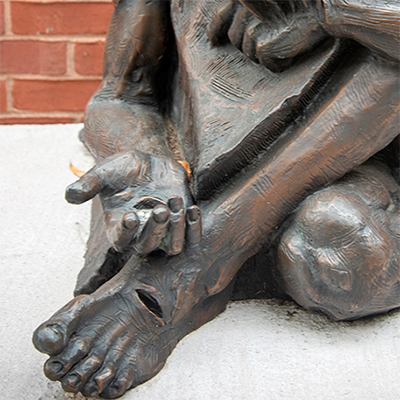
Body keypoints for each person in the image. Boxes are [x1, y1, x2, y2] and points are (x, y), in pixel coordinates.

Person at [33, 1, 399, 398]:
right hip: (193, 168)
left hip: (353, 162)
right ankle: (200, 258)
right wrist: (150, 160)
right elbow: (118, 98)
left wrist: (331, 12)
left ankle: (196, 262)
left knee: (339, 249)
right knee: (332, 237)